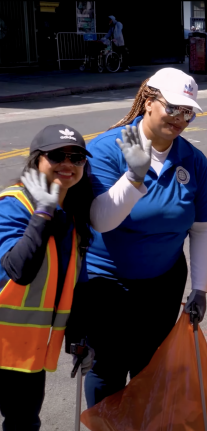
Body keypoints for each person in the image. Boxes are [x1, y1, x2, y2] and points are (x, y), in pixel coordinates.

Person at [69, 68, 207, 408]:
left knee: (150, 367)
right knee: (108, 369)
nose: (180, 119)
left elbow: (204, 227)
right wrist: (134, 176)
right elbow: (101, 220)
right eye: (173, 108)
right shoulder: (106, 150)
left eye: (188, 112)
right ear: (149, 101)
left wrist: (200, 288)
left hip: (163, 284)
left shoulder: (193, 160)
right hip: (108, 285)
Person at [0, 125, 93, 431]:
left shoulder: (73, 215)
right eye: (57, 155)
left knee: (24, 424)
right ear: (37, 160)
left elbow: (72, 282)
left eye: (77, 157)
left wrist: (79, 334)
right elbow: (19, 269)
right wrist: (42, 212)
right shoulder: (13, 205)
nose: (67, 163)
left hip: (24, 349)